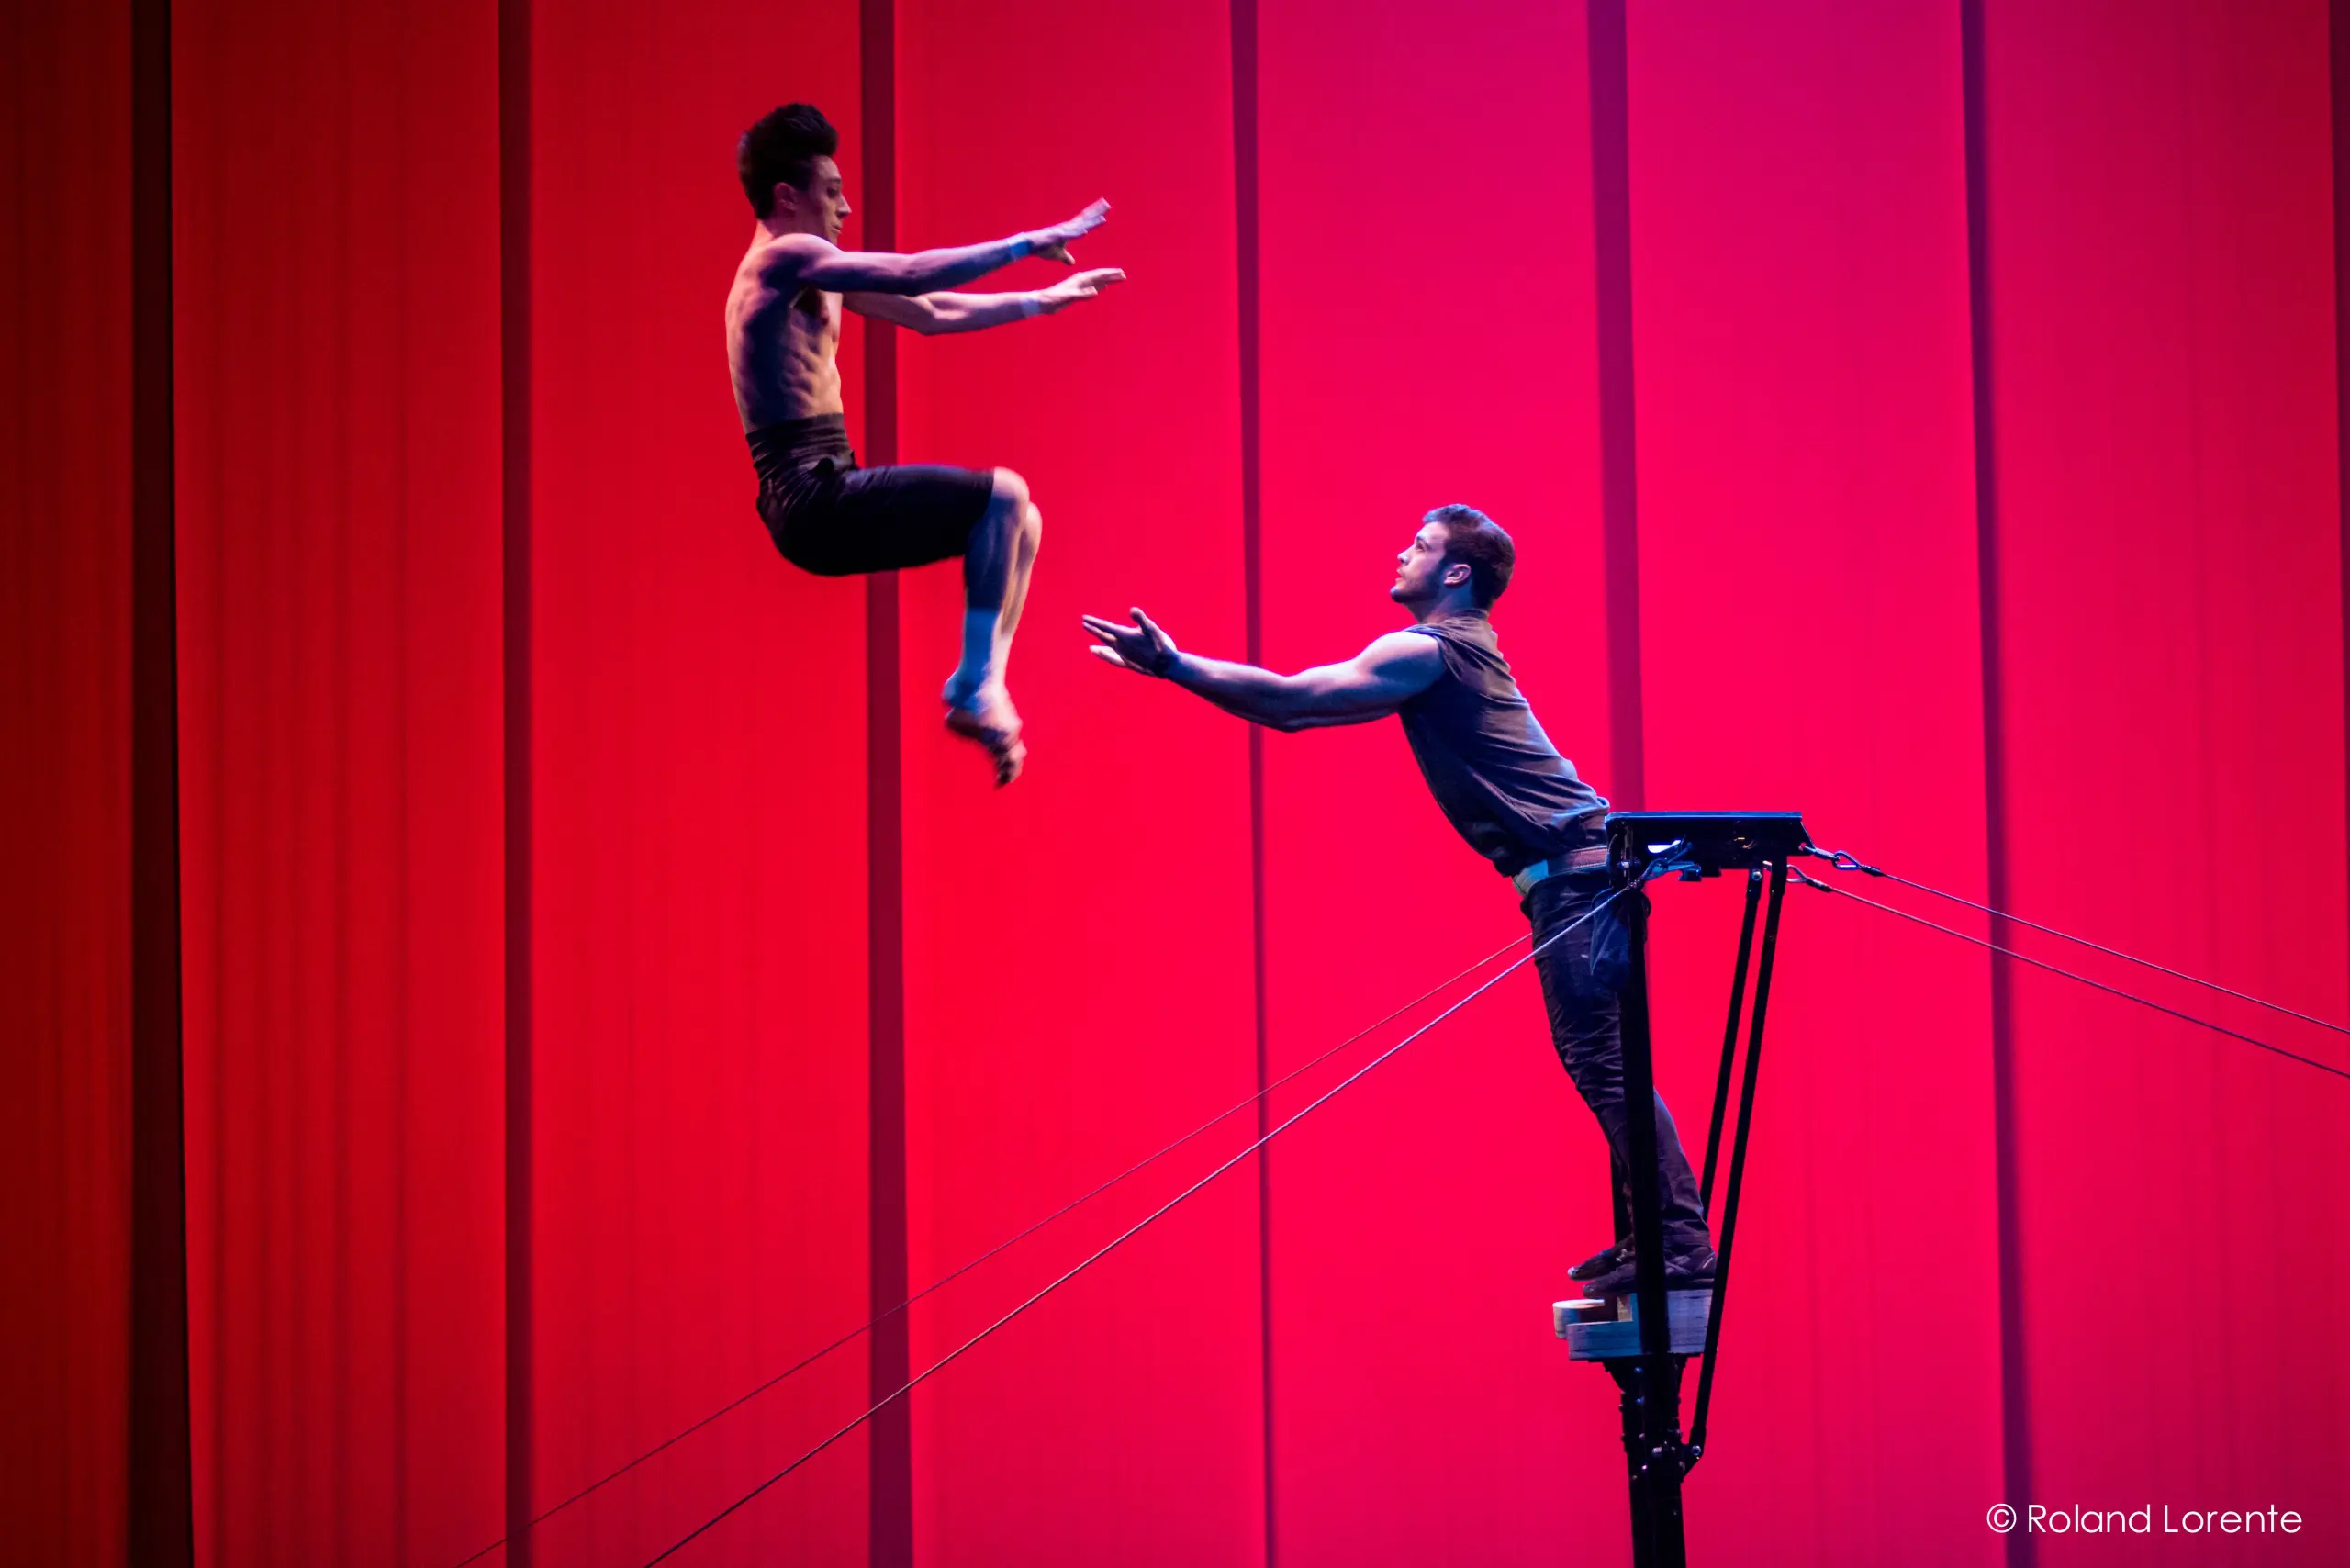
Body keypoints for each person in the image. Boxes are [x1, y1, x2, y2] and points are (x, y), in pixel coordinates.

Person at [1081, 505, 1717, 1295]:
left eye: (1419, 546)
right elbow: (1294, 709)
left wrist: (1177, 665)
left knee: (1605, 1064)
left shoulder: (1432, 648)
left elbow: (1295, 702)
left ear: (1457, 572)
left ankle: (1677, 1241)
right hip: (1586, 875)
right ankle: (1657, 1237)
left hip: (1577, 878)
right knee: (1609, 1063)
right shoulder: (1456, 649)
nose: (1401, 553)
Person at [728, 102, 1125, 785]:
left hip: (823, 493)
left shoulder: (811, 272)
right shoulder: (782, 259)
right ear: (787, 197)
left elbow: (932, 312)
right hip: (808, 498)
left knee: (1021, 522)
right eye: (832, 191)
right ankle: (972, 685)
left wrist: (1042, 300)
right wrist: (1028, 240)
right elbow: (914, 274)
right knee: (1003, 494)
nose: (846, 208)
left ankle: (982, 688)